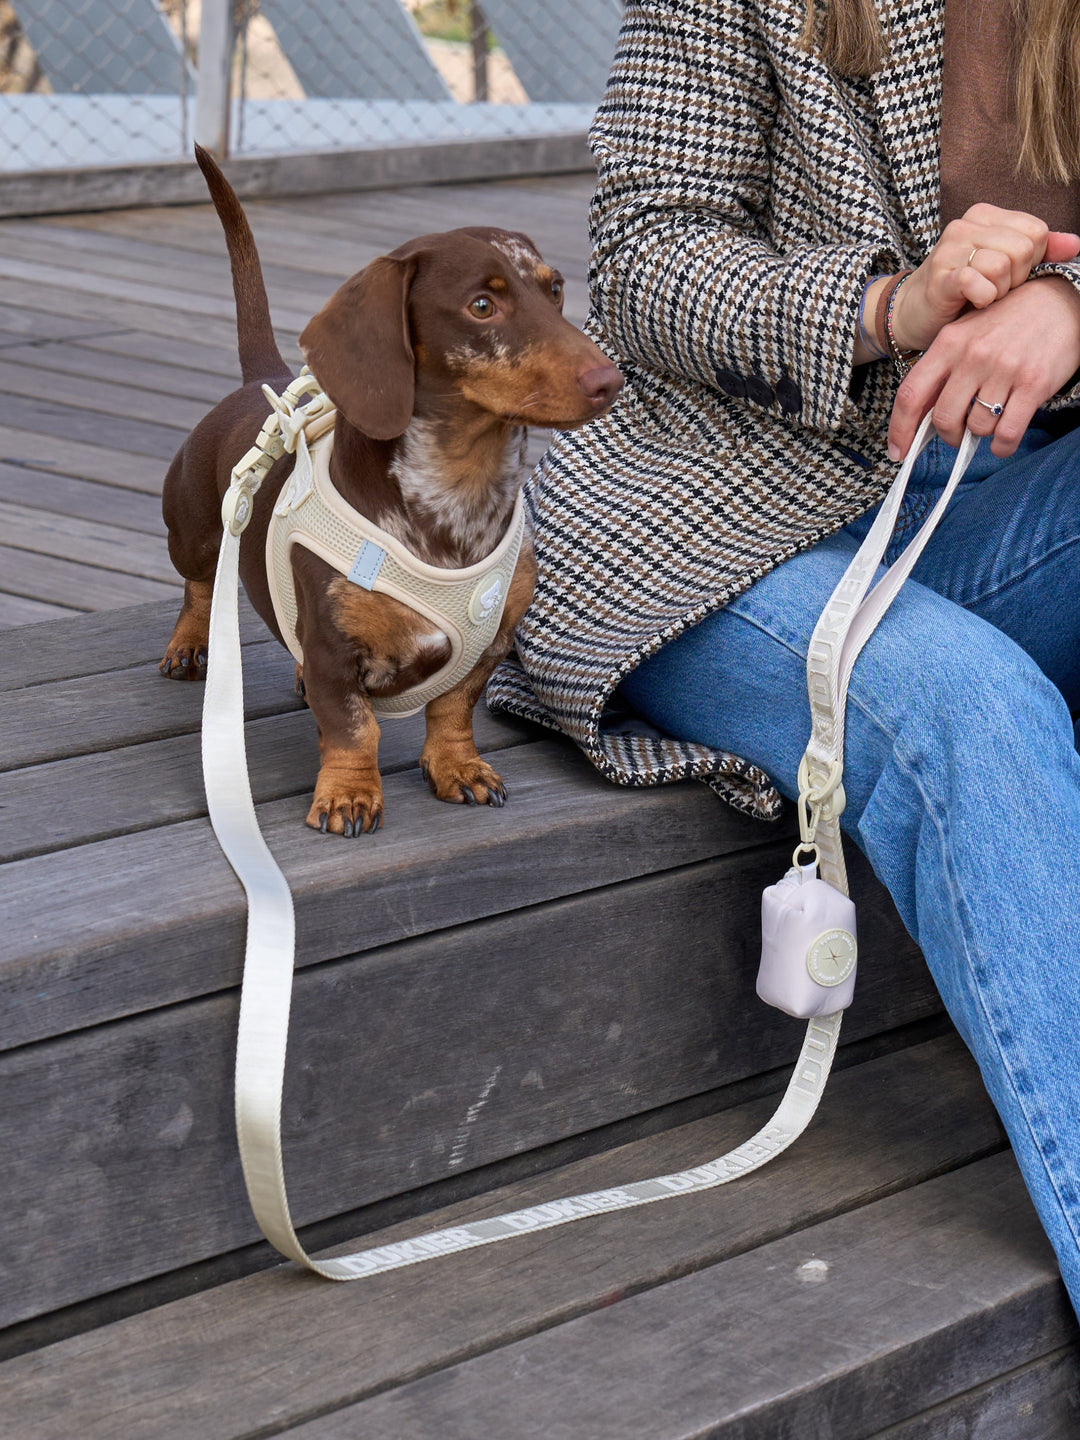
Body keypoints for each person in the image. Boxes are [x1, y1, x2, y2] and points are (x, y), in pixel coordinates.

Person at [487, 0, 1080, 1313]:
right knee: (966, 705)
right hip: (714, 522)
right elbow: (644, 259)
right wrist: (893, 301)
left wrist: (1065, 299)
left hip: (978, 497)